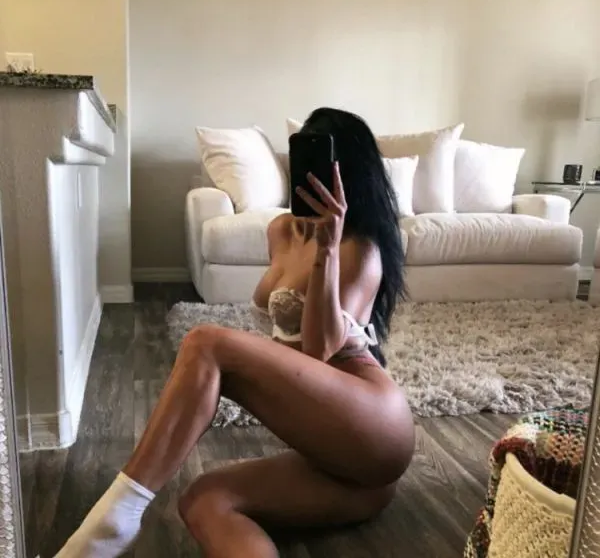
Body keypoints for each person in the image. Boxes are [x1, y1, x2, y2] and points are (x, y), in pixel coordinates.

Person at [53, 107, 415, 558]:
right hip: (338, 465)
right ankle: (115, 521)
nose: (310, 174)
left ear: (349, 174)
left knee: (206, 343)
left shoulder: (360, 249)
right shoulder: (281, 231)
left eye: (323, 164)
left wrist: (327, 249)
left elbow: (319, 351)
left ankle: (115, 518)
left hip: (374, 433)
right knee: (203, 501)